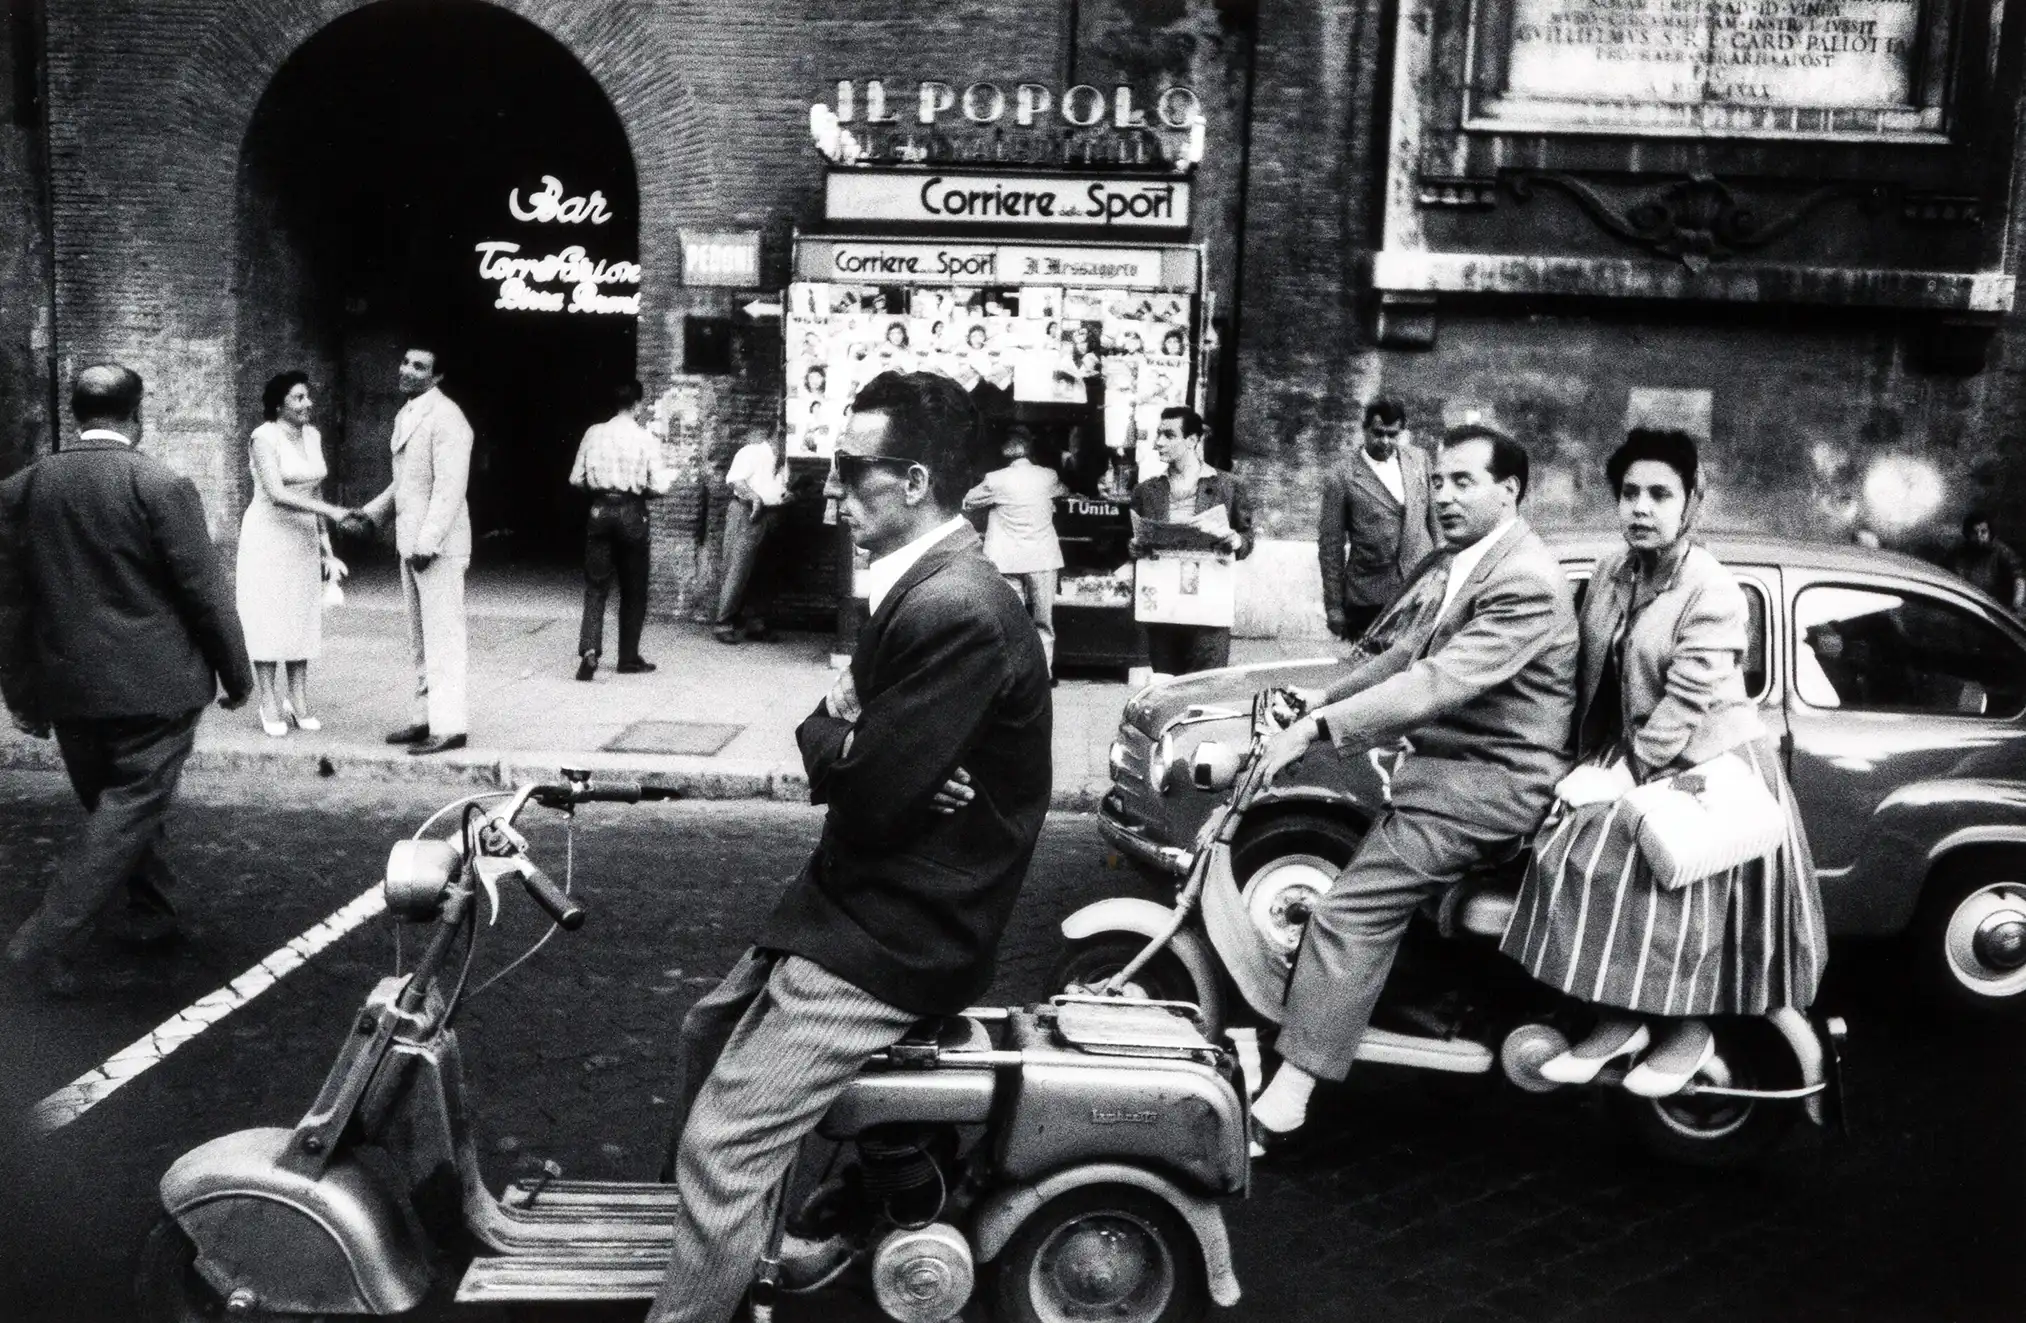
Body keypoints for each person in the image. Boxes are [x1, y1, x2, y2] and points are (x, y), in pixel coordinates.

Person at [647, 371, 1051, 1323]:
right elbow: (836, 744)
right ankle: (744, 1247)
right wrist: (857, 743)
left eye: (846, 470)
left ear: (912, 480)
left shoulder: (954, 605)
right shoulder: (918, 588)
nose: (829, 493)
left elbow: (866, 796)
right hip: (864, 895)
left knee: (722, 1143)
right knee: (706, 1032)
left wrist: (857, 746)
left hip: (901, 926)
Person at [1244, 421, 1579, 1155]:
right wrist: (1319, 702)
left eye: (1465, 482)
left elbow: (1437, 681)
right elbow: (1403, 651)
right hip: (1449, 778)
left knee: (1344, 913)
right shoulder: (1471, 560)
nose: (1445, 495)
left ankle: (1288, 1102)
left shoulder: (1524, 579)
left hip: (1486, 787)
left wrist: (1319, 733)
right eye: (1439, 481)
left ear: (1510, 490)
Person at [1501, 429, 1828, 1095]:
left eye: (1659, 494)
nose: (1641, 507)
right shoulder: (1611, 573)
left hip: (1708, 765)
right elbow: (1582, 669)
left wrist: (1621, 773)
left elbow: (1685, 702)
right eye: (1629, 493)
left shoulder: (1713, 590)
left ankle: (1686, 1029)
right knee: (1565, 853)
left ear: (1691, 502)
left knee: (1663, 888)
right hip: (1636, 753)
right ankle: (1618, 1020)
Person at [0, 364, 255, 995]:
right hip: (156, 689)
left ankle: (154, 912)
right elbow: (204, 592)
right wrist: (238, 675)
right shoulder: (161, 484)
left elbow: (10, 605)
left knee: (113, 808)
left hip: (69, 690)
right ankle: (42, 942)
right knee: (126, 808)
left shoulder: (24, 488)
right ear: (137, 415)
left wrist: (22, 694)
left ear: (75, 412)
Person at [234, 371, 363, 736]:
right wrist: (336, 513)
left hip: (304, 535)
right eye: (298, 398)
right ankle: (268, 700)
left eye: (307, 397)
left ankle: (298, 698)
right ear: (278, 405)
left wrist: (327, 547)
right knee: (268, 615)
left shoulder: (313, 435)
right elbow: (276, 492)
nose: (307, 404)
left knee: (300, 615)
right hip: (268, 535)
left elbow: (314, 492)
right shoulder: (263, 437)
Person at [360, 345, 473, 756]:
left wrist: (428, 543)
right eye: (406, 362)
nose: (407, 370)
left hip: (437, 547)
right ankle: (425, 718)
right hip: (412, 543)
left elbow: (449, 488)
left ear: (437, 377)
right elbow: (406, 483)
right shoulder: (408, 413)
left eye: (420, 366)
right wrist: (373, 515)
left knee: (444, 636)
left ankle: (451, 725)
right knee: (420, 639)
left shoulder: (447, 418)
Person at [1128, 406, 1254, 675]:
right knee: (1165, 680)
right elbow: (1134, 541)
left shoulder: (1228, 486)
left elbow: (1247, 538)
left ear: (1192, 441)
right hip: (1163, 604)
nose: (1158, 442)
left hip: (1208, 602)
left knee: (1205, 683)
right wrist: (1134, 547)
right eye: (1158, 434)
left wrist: (1235, 540)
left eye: (1168, 435)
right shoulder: (1146, 491)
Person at [569, 379, 669, 681]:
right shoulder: (645, 437)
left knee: (596, 584)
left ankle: (590, 649)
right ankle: (627, 658)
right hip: (631, 511)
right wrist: (642, 492)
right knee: (634, 587)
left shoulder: (593, 433)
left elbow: (576, 478)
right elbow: (660, 485)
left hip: (599, 509)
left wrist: (599, 490)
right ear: (638, 405)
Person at [1318, 397, 1439, 641]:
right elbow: (1331, 546)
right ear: (1364, 430)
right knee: (1367, 671)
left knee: (1414, 669)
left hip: (1419, 590)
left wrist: (1443, 571)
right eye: (1378, 433)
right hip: (1368, 597)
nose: (1385, 441)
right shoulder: (1342, 477)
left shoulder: (1419, 461)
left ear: (1401, 433)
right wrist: (1334, 606)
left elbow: (1435, 521)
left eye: (1392, 435)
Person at [962, 425, 1070, 677]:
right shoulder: (1048, 476)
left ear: (1005, 450)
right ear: (1029, 449)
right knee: (1044, 622)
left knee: (1012, 621)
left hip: (1006, 559)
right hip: (1043, 557)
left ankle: (1015, 674)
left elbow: (967, 500)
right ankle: (1044, 673)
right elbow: (1063, 492)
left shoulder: (995, 479)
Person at [712, 427, 789, 644]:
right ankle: (723, 623)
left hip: (772, 515)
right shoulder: (751, 452)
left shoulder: (783, 462)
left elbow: (778, 490)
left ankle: (755, 622)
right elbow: (736, 480)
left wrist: (787, 496)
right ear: (779, 435)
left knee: (764, 570)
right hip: (747, 512)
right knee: (738, 568)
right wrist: (754, 498)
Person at [1946, 509, 2025, 615]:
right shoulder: (1958, 553)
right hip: (1965, 609)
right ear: (1967, 534)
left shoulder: (2001, 552)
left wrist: (2016, 605)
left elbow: (2018, 578)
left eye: (1983, 532)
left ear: (1989, 532)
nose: (1979, 537)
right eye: (1974, 533)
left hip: (1993, 612)